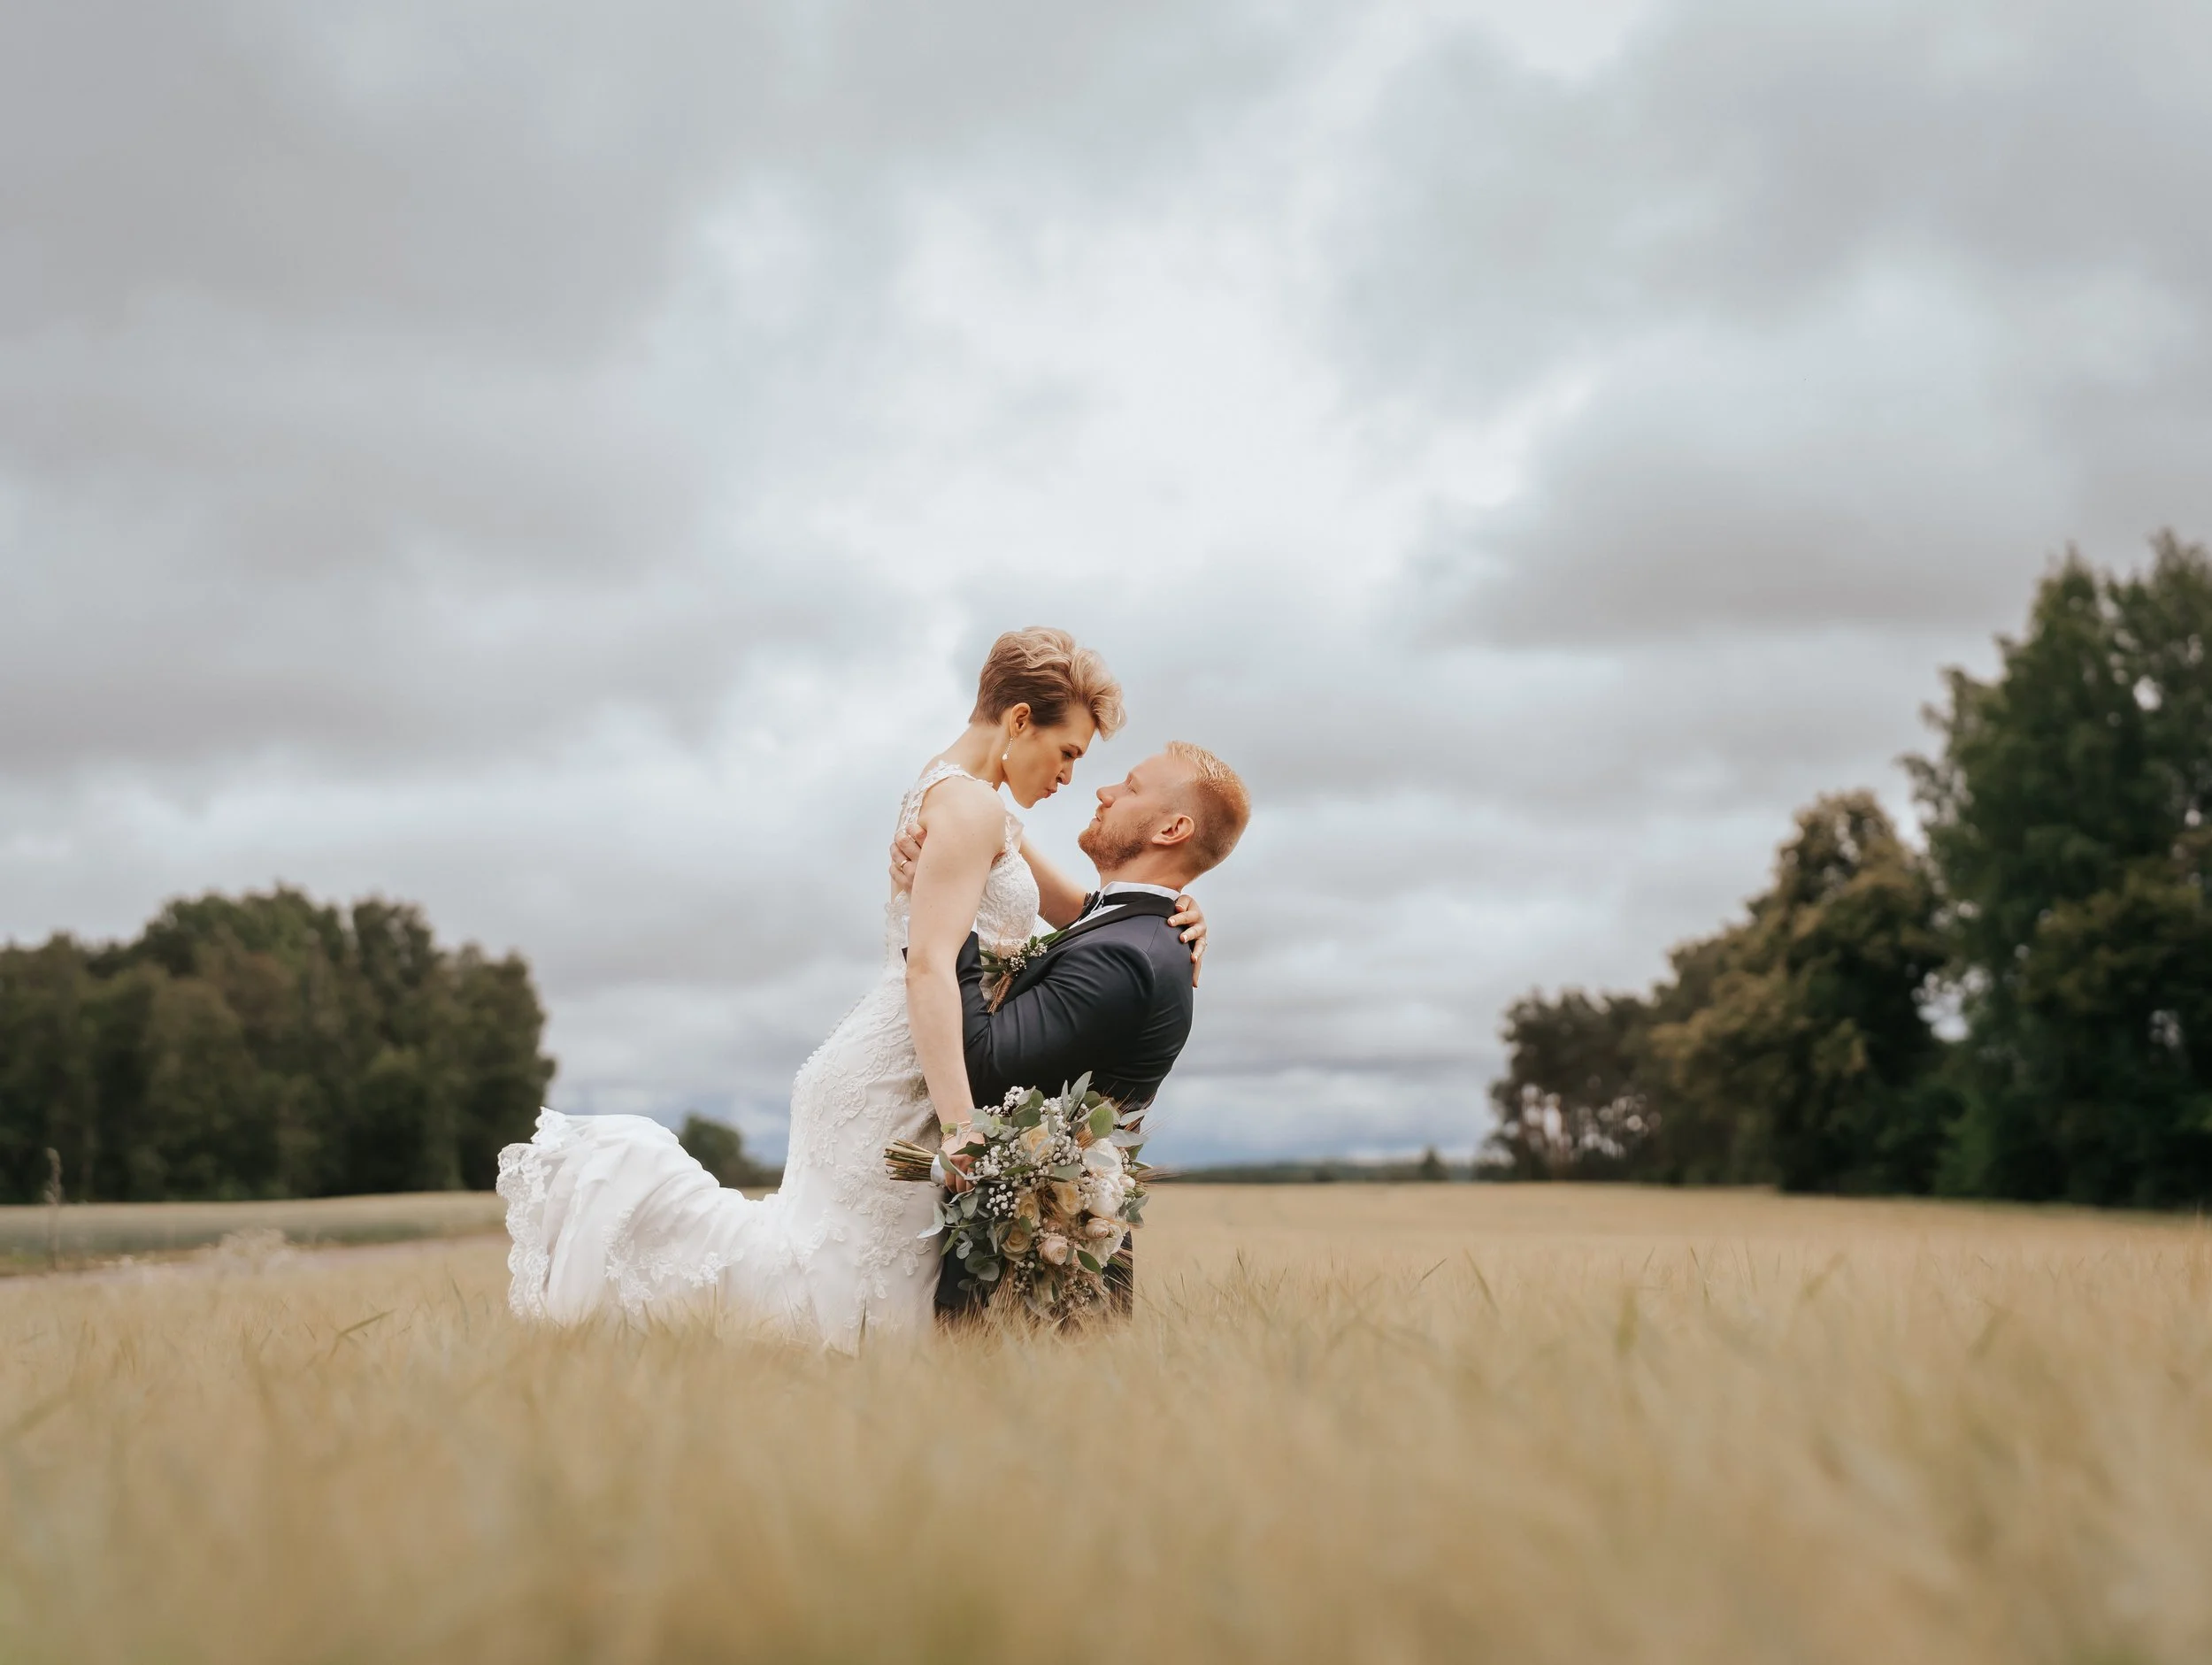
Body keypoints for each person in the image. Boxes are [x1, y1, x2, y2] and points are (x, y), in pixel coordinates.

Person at [496, 627, 1207, 1348]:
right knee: (842, 1296)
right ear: (1020, 720)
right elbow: (930, 964)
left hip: (895, 1055)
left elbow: (1086, 917)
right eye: (1068, 753)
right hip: (902, 1074)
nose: (1069, 777)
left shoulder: (963, 796)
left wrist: (1174, 912)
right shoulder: (972, 809)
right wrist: (964, 1130)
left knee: (838, 1283)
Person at [889, 740, 1250, 1316]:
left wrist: (936, 911)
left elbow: (983, 1068)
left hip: (1032, 1284)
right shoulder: (1119, 925)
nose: (1104, 792)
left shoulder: (1125, 955)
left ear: (1172, 828)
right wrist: (956, 841)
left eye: (1130, 787)